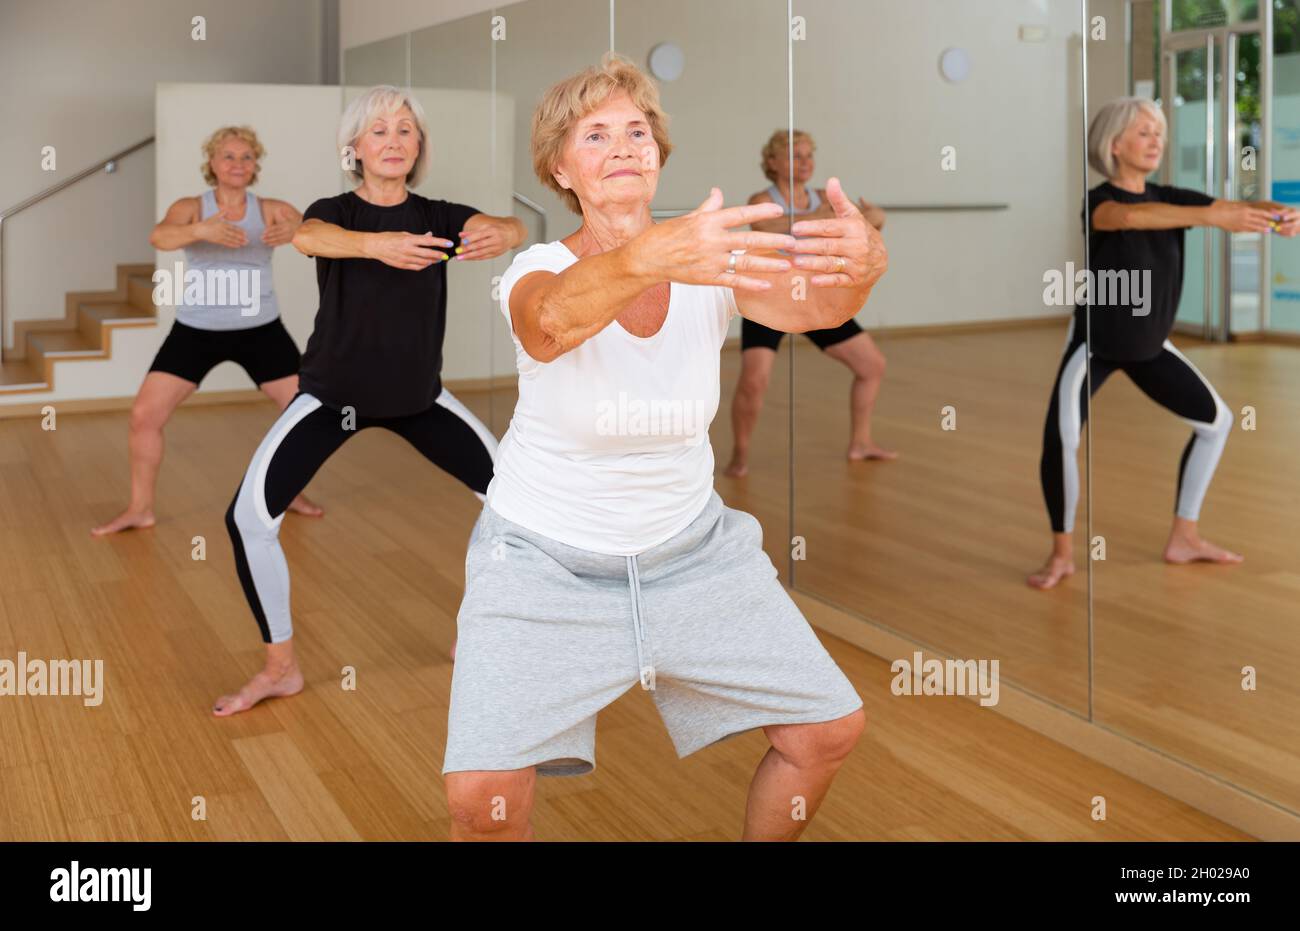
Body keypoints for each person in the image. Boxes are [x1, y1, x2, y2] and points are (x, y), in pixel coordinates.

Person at [442, 53, 888, 841]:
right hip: (541, 563)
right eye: (597, 134)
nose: (623, 145)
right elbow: (549, 326)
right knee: (481, 798)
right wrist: (649, 255)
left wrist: (861, 268)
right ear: (559, 168)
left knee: (826, 731)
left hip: (693, 552)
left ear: (659, 155)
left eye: (638, 131)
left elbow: (815, 305)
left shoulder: (709, 259)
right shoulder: (538, 265)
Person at [214, 86, 525, 714]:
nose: (393, 140)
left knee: (520, 509)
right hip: (332, 399)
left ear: (419, 148)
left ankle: (482, 630)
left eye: (405, 130)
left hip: (418, 398)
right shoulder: (335, 211)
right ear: (354, 148)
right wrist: (376, 245)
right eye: (378, 131)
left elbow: (506, 224)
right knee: (247, 520)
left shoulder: (438, 214)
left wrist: (505, 231)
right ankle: (281, 668)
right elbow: (308, 237)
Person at [1029, 96, 1300, 589]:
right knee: (1062, 439)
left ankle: (1184, 537)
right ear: (1114, 146)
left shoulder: (1172, 198)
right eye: (1143, 132)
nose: (1156, 141)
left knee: (1216, 423)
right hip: (1098, 344)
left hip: (1152, 345)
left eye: (1159, 133)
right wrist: (1208, 218)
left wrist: (1277, 212)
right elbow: (1131, 219)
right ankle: (1062, 553)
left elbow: (1230, 207)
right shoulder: (1100, 202)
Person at [92, 126, 320, 536]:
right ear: (212, 163)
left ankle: (289, 493)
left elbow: (318, 235)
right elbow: (159, 236)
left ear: (256, 166)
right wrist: (201, 231)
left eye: (246, 157)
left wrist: (298, 232)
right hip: (197, 330)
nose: (237, 164)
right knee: (145, 416)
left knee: (304, 414)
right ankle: (141, 508)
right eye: (228, 156)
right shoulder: (191, 208)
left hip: (260, 330)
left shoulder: (270, 208)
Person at [724, 129, 892, 478]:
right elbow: (770, 224)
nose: (804, 163)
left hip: (818, 297)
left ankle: (860, 442)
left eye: (808, 156)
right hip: (770, 299)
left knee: (871, 366)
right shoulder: (762, 198)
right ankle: (740, 455)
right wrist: (836, 220)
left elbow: (870, 224)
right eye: (794, 155)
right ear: (772, 162)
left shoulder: (821, 196)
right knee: (755, 380)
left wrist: (871, 217)